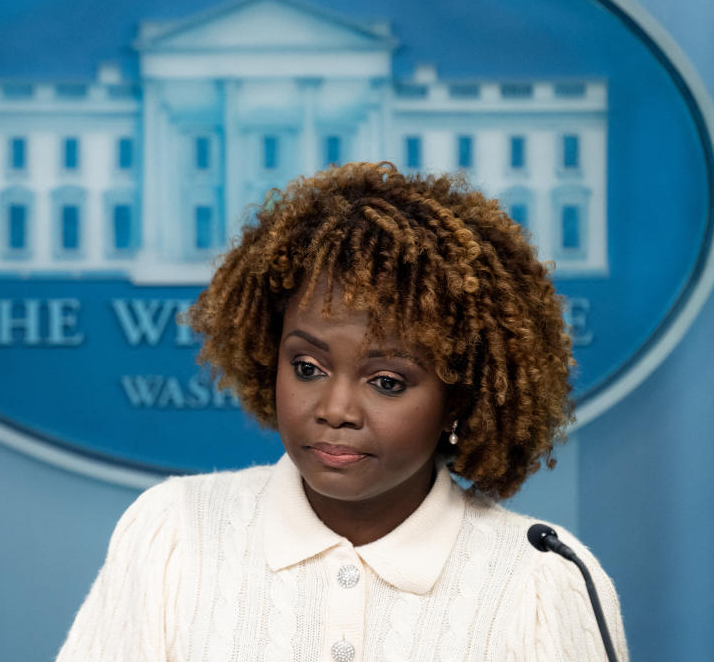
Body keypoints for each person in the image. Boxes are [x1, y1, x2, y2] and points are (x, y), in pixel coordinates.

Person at [56, 162, 628, 661]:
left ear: (458, 396)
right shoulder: (175, 534)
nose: (335, 410)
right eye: (308, 368)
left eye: (386, 381)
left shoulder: (541, 580)